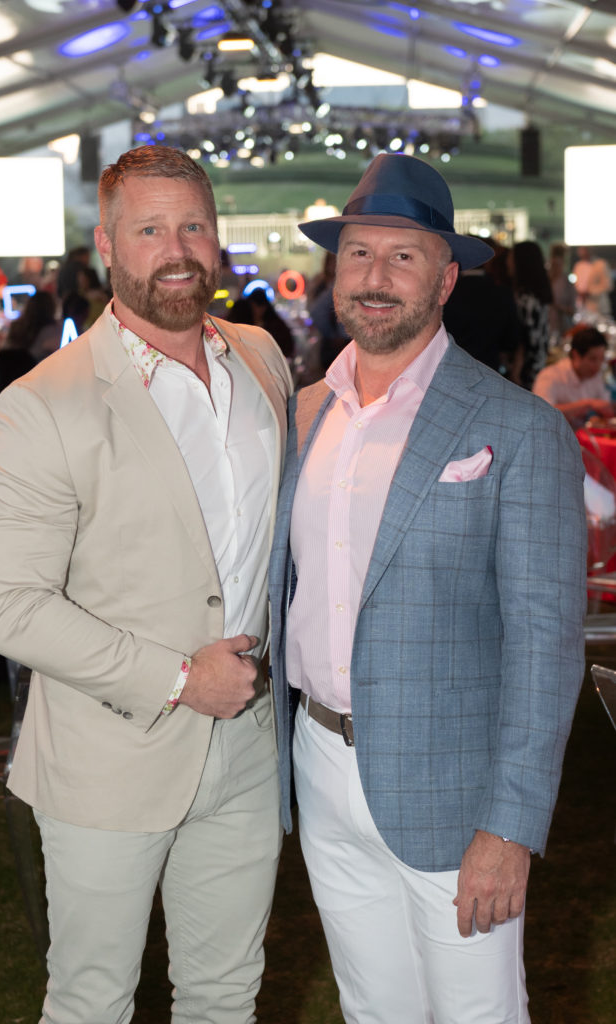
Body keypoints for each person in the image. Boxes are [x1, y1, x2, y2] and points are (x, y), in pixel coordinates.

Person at [0, 145, 292, 1024]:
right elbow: (8, 604)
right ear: (109, 245)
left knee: (226, 995)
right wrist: (182, 679)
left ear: (218, 238)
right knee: (92, 1001)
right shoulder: (47, 401)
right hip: (108, 756)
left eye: (193, 224)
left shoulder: (262, 361)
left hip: (248, 749)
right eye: (150, 229)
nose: (177, 247)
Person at [268, 153, 586, 1024]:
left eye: (403, 256)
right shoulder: (303, 414)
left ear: (447, 278)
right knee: (374, 1010)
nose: (376, 277)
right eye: (359, 253)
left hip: (456, 792)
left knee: (479, 1013)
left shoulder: (518, 427)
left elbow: (545, 642)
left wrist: (512, 826)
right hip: (320, 768)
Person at [533, 325, 612, 428]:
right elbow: (541, 413)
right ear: (575, 355)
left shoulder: (595, 376)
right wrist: (587, 404)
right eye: (592, 359)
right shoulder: (550, 376)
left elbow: (605, 407)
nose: (598, 366)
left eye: (601, 359)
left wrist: (597, 416)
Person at [510, 240, 553, 389]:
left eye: (511, 257)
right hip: (539, 362)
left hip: (527, 369)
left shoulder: (525, 298)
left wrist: (516, 369)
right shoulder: (538, 295)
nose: (508, 262)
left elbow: (525, 338)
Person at [573, 245, 612, 316]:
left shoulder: (601, 264)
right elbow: (577, 285)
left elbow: (608, 285)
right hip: (582, 307)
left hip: (599, 308)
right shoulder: (578, 266)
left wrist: (589, 292)